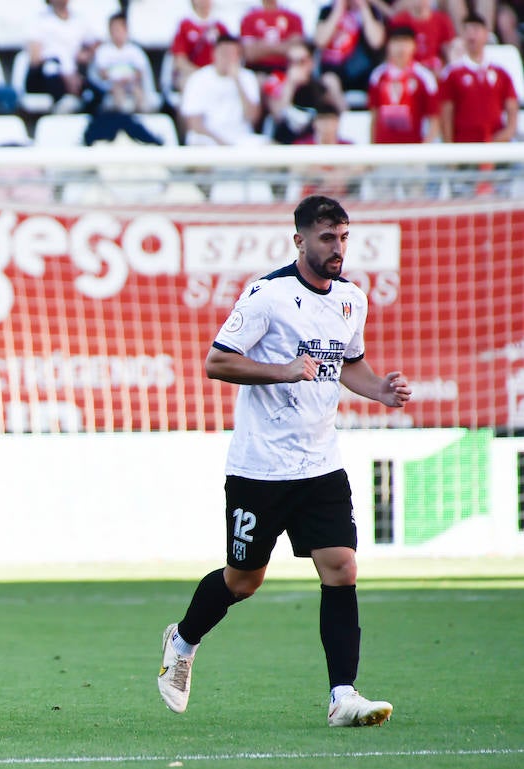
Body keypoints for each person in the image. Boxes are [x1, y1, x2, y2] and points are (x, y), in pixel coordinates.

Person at [156, 195, 412, 729]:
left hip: (320, 462)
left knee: (341, 566)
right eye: (326, 238)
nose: (337, 248)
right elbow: (216, 361)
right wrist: (283, 371)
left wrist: (380, 391)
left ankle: (342, 696)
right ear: (299, 241)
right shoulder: (267, 296)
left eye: (343, 237)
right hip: (260, 468)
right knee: (244, 579)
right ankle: (182, 640)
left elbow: (351, 365)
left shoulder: (351, 300)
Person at [85, 13, 164, 146]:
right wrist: (117, 78)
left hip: (132, 87)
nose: (118, 34)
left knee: (137, 91)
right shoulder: (104, 51)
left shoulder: (135, 51)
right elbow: (102, 73)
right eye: (114, 30)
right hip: (112, 90)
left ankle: (142, 115)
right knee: (117, 89)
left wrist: (129, 78)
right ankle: (122, 112)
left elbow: (139, 72)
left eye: (120, 29)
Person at [438, 13, 518, 143]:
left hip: (496, 144)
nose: (471, 35)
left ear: (486, 34)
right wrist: (450, 148)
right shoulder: (452, 74)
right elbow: (446, 113)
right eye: (467, 30)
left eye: (475, 29)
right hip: (464, 145)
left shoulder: (500, 72)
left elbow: (512, 107)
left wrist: (506, 133)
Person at [180, 34, 267, 145]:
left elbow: (252, 117)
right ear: (214, 54)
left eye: (233, 54)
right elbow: (195, 124)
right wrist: (222, 143)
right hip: (208, 138)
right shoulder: (198, 79)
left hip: (240, 137)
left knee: (271, 147)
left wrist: (237, 81)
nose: (228, 58)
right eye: (225, 53)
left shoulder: (247, 78)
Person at [368, 24, 440, 143]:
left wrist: (424, 149)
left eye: (406, 43)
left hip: (412, 149)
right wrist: (372, 147)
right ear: (389, 46)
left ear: (414, 46)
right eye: (396, 42)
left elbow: (434, 118)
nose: (401, 48)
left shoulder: (424, 77)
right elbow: (374, 115)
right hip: (383, 149)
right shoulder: (378, 75)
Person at [25, 0, 101, 108]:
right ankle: (61, 104)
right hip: (47, 74)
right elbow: (35, 59)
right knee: (51, 68)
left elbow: (96, 42)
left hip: (75, 72)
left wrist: (85, 54)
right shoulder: (39, 20)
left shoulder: (78, 19)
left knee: (96, 94)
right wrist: (64, 74)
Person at [314, 0, 387, 95]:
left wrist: (364, 8)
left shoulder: (372, 12)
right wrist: (338, 10)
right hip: (333, 70)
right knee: (329, 80)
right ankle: (343, 109)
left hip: (364, 71)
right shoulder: (327, 11)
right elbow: (320, 41)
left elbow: (376, 42)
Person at [240, 0, 307, 74]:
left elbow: (295, 50)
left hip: (286, 71)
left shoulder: (294, 18)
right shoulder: (248, 18)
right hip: (256, 71)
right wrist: (283, 45)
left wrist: (261, 45)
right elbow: (250, 54)